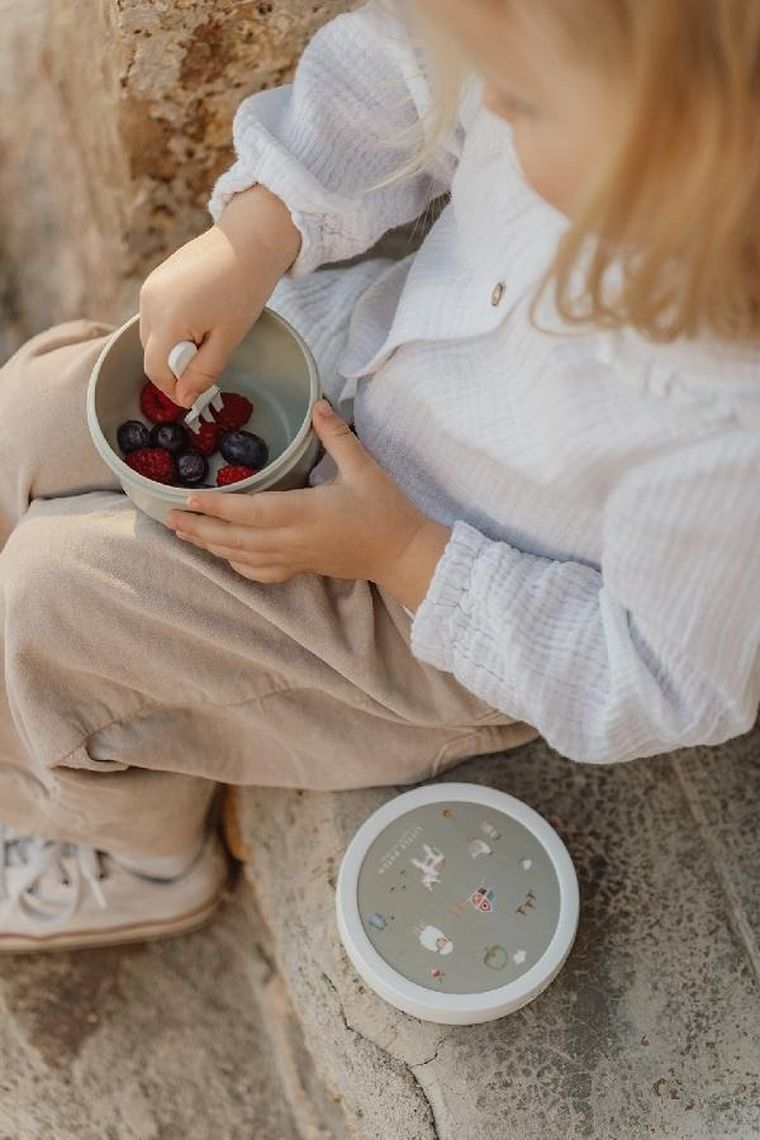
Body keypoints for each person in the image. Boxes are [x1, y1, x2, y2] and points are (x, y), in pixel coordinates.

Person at [1, 0, 758, 951]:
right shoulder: (572, 61)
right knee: (25, 416)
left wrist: (401, 550)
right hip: (340, 372)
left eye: (514, 100)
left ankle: (133, 856)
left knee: (46, 605)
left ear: (679, 153)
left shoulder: (728, 446)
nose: (491, 104)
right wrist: (260, 229)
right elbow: (409, 71)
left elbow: (663, 681)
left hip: (421, 609)